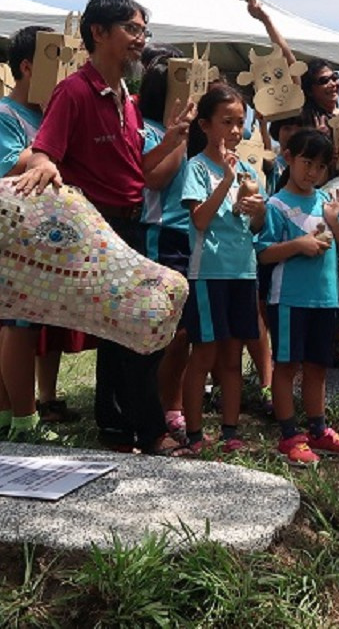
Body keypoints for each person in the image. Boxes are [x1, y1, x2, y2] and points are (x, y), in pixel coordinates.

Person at [15, 0, 188, 455]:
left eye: (143, 32)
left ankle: (117, 430)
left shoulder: (127, 100)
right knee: (137, 328)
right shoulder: (73, 91)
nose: (140, 41)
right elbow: (44, 150)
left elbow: (142, 174)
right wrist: (45, 164)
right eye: (132, 30)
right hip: (99, 228)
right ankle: (148, 431)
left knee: (122, 331)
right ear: (99, 33)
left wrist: (170, 139)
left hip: (131, 227)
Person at [0, 25, 88, 442]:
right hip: (12, 232)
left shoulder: (43, 114)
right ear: (28, 66)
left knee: (21, 323)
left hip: (41, 235)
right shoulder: (2, 114)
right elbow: (12, 165)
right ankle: (23, 418)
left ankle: (5, 413)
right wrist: (53, 138)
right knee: (16, 326)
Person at [257, 129, 339, 466]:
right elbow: (263, 253)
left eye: (320, 166)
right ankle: (289, 436)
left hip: (325, 299)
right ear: (288, 158)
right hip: (288, 300)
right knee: (287, 367)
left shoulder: (325, 203)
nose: (312, 172)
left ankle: (319, 429)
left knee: (318, 366)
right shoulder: (276, 204)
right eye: (306, 162)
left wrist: (334, 221)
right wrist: (298, 246)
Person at [178, 84, 267, 454]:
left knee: (232, 357)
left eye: (240, 123)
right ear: (205, 125)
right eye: (226, 121)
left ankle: (231, 433)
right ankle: (196, 434)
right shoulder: (197, 167)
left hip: (242, 272)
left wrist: (257, 209)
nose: (234, 130)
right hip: (208, 273)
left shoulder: (247, 169)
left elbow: (258, 226)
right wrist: (227, 182)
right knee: (204, 355)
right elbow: (198, 219)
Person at [138, 48, 195, 442]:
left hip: (190, 236)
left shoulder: (187, 132)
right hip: (160, 235)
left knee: (184, 332)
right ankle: (156, 408)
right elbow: (155, 179)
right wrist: (177, 136)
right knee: (164, 330)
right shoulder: (146, 130)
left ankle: (172, 405)